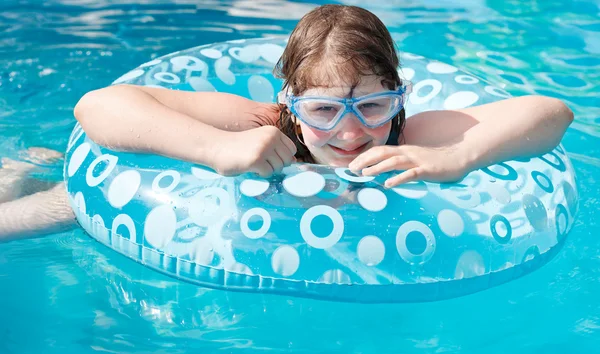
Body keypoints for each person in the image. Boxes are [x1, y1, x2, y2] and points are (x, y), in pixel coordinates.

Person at [0, 4, 573, 242]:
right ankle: (23, 171)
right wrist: (213, 149)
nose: (351, 132)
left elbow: (553, 113)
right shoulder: (263, 120)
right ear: (291, 103)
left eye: (372, 106)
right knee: (50, 211)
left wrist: (455, 157)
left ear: (401, 98)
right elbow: (97, 106)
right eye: (324, 110)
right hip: (179, 200)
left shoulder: (415, 136)